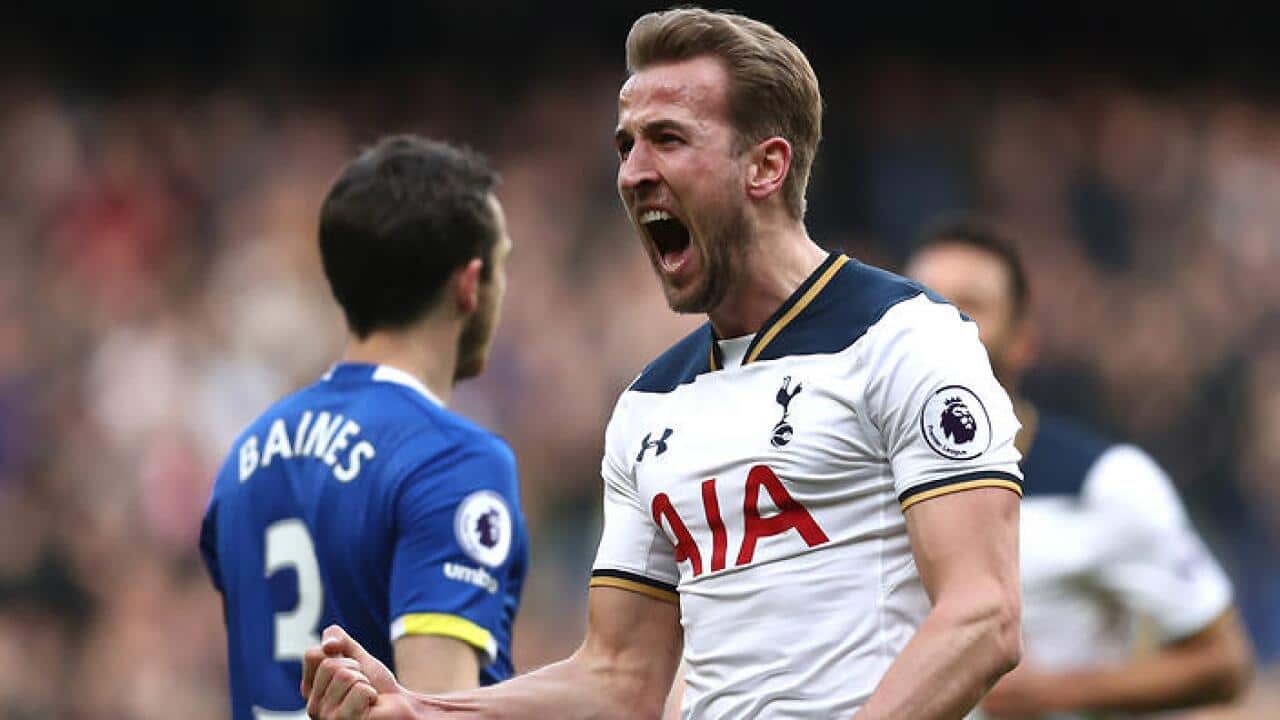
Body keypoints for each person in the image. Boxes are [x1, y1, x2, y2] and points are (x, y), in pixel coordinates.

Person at [303, 9, 1024, 719]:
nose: (632, 172)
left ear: (766, 166)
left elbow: (982, 617)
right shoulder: (650, 406)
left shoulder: (906, 340)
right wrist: (421, 708)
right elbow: (619, 677)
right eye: (626, 145)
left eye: (667, 139)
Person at [199, 135, 526, 720]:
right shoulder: (452, 460)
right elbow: (439, 708)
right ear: (469, 284)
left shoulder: (245, 455)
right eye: (503, 263)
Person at [905, 215, 1254, 719]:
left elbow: (1226, 663)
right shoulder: (861, 482)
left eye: (970, 306)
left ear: (1024, 341)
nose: (941, 320)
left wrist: (1050, 694)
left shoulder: (1106, 484)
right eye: (925, 300)